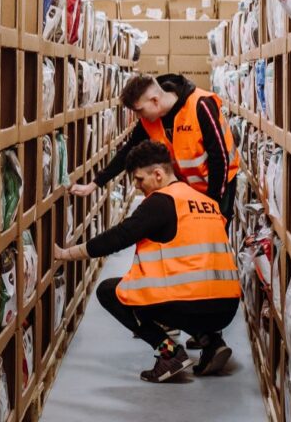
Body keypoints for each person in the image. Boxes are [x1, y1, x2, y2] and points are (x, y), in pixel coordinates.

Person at [55, 141, 241, 383]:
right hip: (226, 309)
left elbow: (117, 238)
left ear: (158, 174)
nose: (137, 186)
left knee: (110, 291)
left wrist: (65, 254)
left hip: (190, 304)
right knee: (190, 293)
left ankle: (169, 354)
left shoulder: (161, 202)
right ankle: (211, 342)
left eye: (140, 179)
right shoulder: (204, 200)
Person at [72, 73, 240, 219]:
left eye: (139, 110)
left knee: (214, 237)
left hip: (220, 186)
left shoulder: (200, 105)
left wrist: (211, 204)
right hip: (188, 187)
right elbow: (128, 152)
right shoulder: (148, 121)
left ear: (155, 100)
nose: (138, 116)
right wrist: (95, 183)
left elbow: (220, 158)